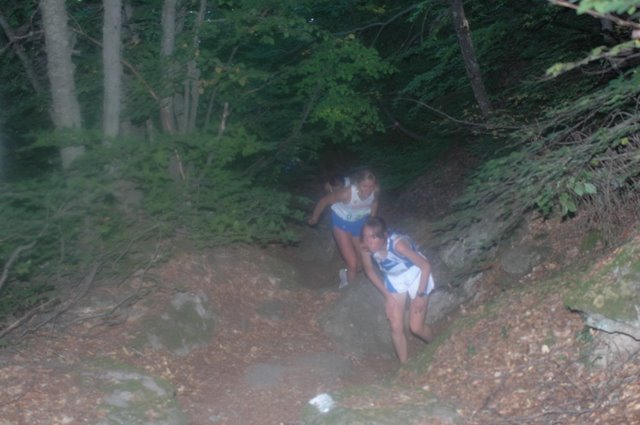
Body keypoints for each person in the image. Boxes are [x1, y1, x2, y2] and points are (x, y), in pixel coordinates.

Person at [360, 216, 434, 363]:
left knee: (416, 327)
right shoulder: (365, 247)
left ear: (384, 236)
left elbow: (425, 266)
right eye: (365, 236)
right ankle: (404, 365)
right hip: (394, 279)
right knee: (395, 326)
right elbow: (369, 271)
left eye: (373, 237)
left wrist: (420, 295)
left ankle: (436, 344)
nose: (368, 242)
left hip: (416, 274)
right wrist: (388, 297)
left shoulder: (398, 245)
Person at [308, 169, 379, 288]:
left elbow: (374, 203)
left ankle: (345, 274)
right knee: (352, 264)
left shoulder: (374, 192)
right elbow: (324, 201)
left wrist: (372, 221)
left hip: (359, 225)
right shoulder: (346, 193)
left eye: (371, 186)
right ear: (357, 184)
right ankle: (349, 292)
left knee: (363, 260)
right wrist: (315, 218)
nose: (368, 190)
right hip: (341, 224)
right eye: (364, 186)